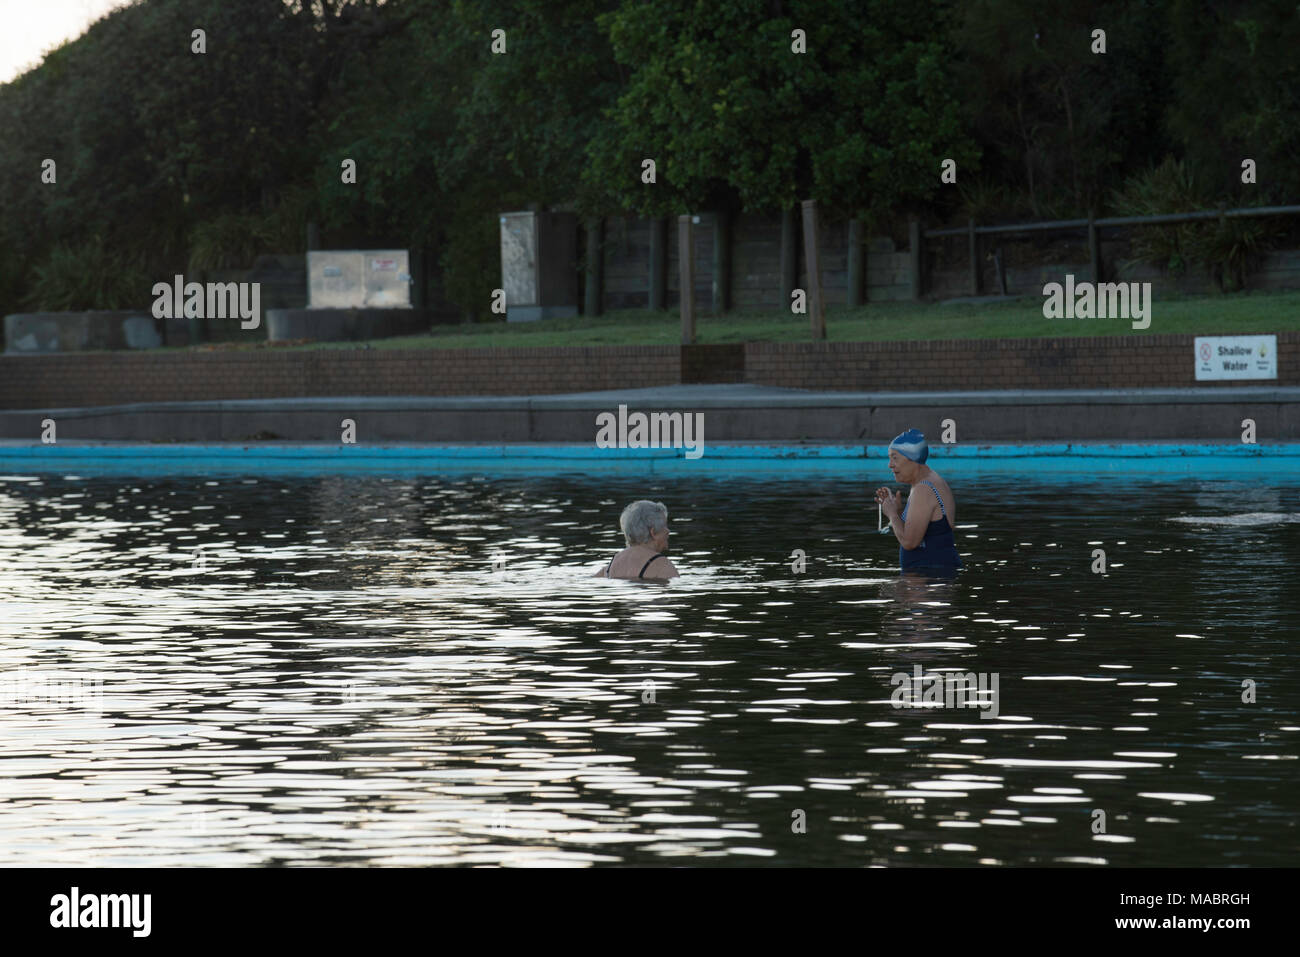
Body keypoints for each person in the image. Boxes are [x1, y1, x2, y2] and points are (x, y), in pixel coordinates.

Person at [874, 429, 962, 572]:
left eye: (895, 458)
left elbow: (910, 542)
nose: (890, 465)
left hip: (928, 578)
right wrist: (899, 511)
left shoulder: (923, 489)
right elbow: (931, 531)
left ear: (913, 458)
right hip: (935, 574)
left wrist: (892, 515)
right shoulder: (930, 481)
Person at [595, 500, 680, 580]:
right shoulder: (662, 565)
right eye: (665, 526)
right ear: (653, 532)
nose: (668, 531)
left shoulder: (611, 566)